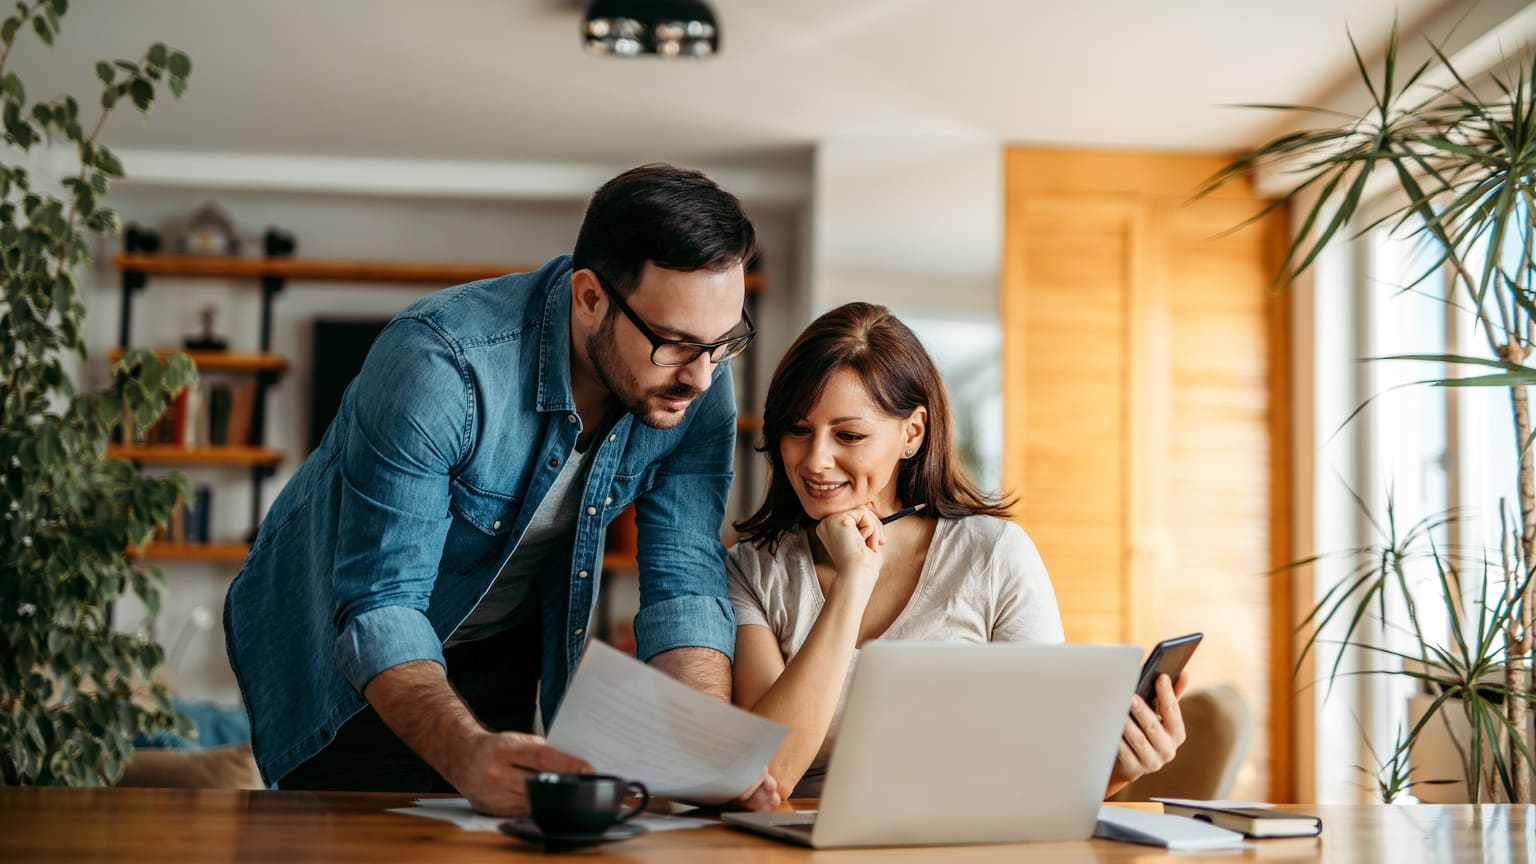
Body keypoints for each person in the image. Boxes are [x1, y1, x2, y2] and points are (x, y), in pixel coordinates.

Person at [225, 164, 779, 814]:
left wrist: (703, 747)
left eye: (723, 343)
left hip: (501, 640)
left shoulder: (700, 379)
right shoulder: (439, 366)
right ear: (590, 298)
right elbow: (381, 603)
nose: (701, 377)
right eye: (675, 343)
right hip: (345, 647)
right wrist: (462, 753)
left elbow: (684, 577)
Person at [727, 302, 1188, 798]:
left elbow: (1044, 770)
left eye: (849, 435)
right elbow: (768, 777)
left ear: (913, 433)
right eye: (798, 430)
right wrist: (853, 584)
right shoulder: (752, 570)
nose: (815, 460)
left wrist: (1118, 771)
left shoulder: (994, 557)